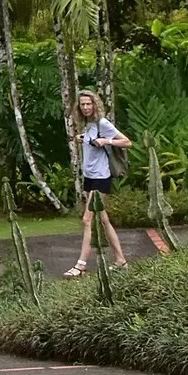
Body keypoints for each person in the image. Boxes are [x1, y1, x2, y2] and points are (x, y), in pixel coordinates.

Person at [64, 91, 132, 276]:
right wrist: (82, 138)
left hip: (102, 177)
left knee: (87, 220)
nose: (86, 107)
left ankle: (81, 264)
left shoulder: (103, 123)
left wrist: (106, 141)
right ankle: (121, 261)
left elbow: (127, 142)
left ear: (95, 104)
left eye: (89, 104)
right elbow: (90, 141)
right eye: (83, 105)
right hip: (89, 176)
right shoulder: (88, 125)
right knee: (103, 220)